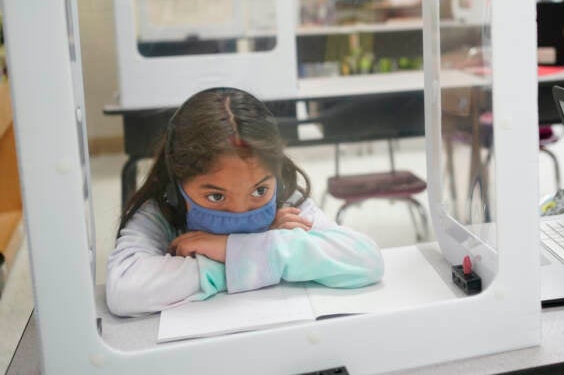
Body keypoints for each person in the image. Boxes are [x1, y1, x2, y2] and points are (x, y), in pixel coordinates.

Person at [106, 87, 384, 317]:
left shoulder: (287, 199)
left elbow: (365, 260)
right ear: (178, 188)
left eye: (259, 191)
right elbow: (125, 291)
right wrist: (258, 257)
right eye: (216, 196)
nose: (240, 210)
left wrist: (229, 249)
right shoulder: (161, 210)